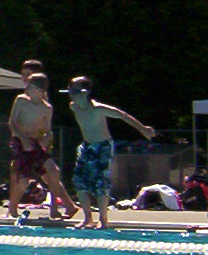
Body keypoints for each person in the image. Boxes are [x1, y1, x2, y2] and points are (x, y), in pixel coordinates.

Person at [64, 76, 155, 229]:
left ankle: (103, 218)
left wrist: (143, 129)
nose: (71, 93)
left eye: (74, 90)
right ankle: (87, 218)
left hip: (103, 146)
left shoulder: (98, 109)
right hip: (87, 146)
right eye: (70, 90)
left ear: (85, 92)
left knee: (101, 182)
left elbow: (122, 115)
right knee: (79, 181)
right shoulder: (74, 107)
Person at [7, 72, 75, 219]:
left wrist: (47, 139)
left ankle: (54, 209)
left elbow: (48, 131)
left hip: (35, 143)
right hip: (19, 142)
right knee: (24, 181)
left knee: (54, 171)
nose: (26, 89)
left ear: (39, 90)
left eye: (30, 87)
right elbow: (12, 123)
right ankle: (12, 207)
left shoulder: (46, 108)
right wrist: (24, 139)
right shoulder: (21, 101)